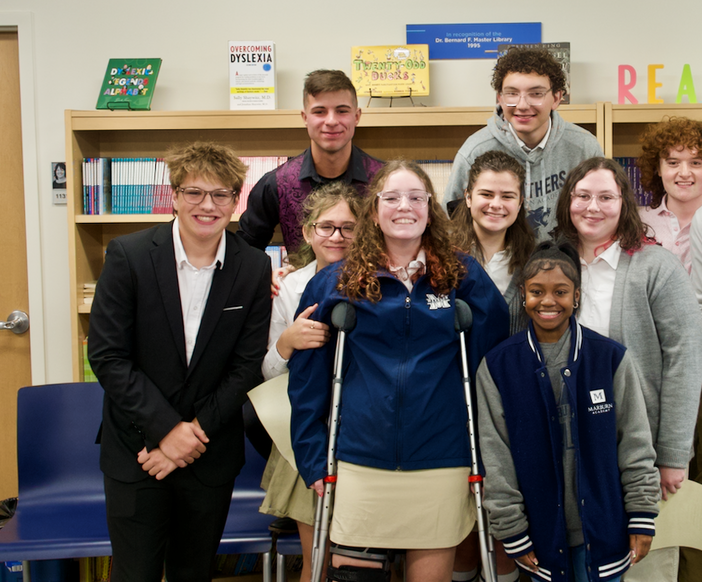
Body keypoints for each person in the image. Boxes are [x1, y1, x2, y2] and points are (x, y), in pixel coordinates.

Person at [288, 161, 509, 582]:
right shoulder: (337, 281)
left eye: (415, 198)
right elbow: (307, 379)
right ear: (373, 212)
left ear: (430, 210)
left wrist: (486, 456)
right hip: (357, 460)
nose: (404, 206)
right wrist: (313, 459)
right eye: (391, 198)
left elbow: (492, 370)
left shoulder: (465, 278)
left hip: (440, 461)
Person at [88, 142, 272, 582]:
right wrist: (167, 432)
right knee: (135, 574)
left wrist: (191, 436)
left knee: (194, 573)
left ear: (235, 201)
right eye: (194, 192)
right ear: (174, 195)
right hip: (138, 450)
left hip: (209, 453)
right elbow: (108, 355)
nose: (207, 206)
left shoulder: (253, 267)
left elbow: (247, 366)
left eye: (221, 194)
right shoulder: (128, 255)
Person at [477, 242, 660, 582]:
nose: (548, 301)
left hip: (605, 534)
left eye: (560, 291)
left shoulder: (610, 358)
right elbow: (496, 455)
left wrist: (641, 513)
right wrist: (511, 528)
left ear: (576, 295)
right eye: (536, 291)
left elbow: (635, 443)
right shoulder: (498, 366)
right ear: (523, 295)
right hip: (541, 536)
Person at [554, 158, 702, 499]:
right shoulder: (548, 262)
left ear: (624, 203)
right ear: (567, 201)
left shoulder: (657, 267)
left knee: (644, 531)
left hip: (639, 442)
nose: (593, 207)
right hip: (565, 436)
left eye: (606, 197)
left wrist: (673, 454)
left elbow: (685, 361)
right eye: (583, 196)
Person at [257, 181, 361, 582]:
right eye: (326, 227)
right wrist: (288, 342)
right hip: (306, 432)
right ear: (307, 232)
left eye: (348, 228)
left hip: (361, 428)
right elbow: (269, 373)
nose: (337, 237)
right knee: (318, 559)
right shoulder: (289, 287)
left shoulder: (378, 279)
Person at [443, 48, 604, 241]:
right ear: (500, 98)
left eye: (536, 93)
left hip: (567, 258)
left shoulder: (584, 147)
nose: (522, 105)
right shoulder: (474, 151)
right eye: (512, 93)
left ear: (556, 98)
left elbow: (602, 213)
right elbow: (450, 223)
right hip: (495, 259)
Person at [238, 69, 384, 254]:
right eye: (319, 112)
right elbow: (244, 251)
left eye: (341, 111)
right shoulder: (276, 184)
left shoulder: (385, 181)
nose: (331, 121)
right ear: (305, 118)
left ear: (356, 116)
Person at [450, 149, 536, 334]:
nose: (496, 204)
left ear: (520, 203)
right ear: (468, 197)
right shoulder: (444, 257)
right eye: (487, 194)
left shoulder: (534, 261)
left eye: (507, 196)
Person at [637, 116, 702, 271]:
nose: (684, 173)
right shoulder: (637, 222)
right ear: (658, 169)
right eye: (673, 163)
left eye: (695, 163)